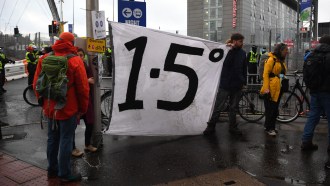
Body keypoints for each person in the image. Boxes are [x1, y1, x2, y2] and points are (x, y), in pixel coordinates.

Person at [33, 32, 89, 182]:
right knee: (66, 139)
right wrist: (83, 109)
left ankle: (52, 170)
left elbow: (36, 84)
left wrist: (42, 102)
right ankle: (65, 174)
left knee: (52, 139)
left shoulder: (44, 58)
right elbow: (83, 88)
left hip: (49, 108)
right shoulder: (75, 60)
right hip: (68, 108)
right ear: (71, 43)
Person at [203, 33, 247, 136]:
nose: (242, 43)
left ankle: (233, 127)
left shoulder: (242, 53)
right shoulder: (225, 50)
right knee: (218, 106)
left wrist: (243, 81)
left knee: (233, 108)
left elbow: (244, 68)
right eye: (240, 41)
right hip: (225, 84)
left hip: (237, 85)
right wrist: (229, 50)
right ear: (234, 41)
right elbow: (222, 64)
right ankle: (211, 127)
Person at [301, 35, 330, 153]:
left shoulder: (311, 55)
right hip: (328, 93)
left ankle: (306, 142)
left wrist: (312, 87)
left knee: (312, 117)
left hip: (314, 92)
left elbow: (305, 74)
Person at [71, 48, 97, 157]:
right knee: (72, 126)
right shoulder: (72, 66)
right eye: (78, 55)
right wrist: (86, 80)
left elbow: (92, 79)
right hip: (76, 101)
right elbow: (73, 82)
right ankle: (72, 148)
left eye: (81, 55)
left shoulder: (86, 66)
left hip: (87, 100)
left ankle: (87, 144)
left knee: (89, 122)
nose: (80, 57)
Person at [260, 43, 288, 136]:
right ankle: (269, 128)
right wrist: (266, 89)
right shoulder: (272, 59)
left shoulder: (281, 61)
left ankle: (270, 126)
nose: (287, 52)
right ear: (280, 51)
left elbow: (278, 74)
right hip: (271, 89)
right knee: (271, 110)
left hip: (277, 88)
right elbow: (266, 74)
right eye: (285, 51)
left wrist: (282, 78)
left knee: (274, 109)